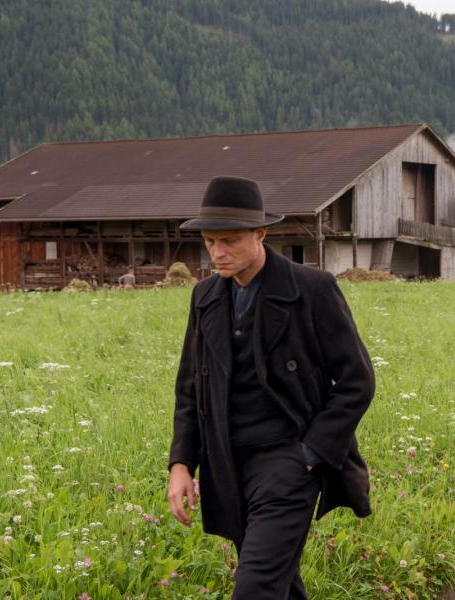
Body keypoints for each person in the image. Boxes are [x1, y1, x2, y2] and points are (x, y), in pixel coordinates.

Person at [167, 176, 375, 599]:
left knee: (256, 587)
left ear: (261, 233)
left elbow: (358, 380)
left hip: (287, 461)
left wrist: (311, 453)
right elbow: (190, 388)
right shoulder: (205, 296)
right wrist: (181, 465)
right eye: (210, 242)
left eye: (230, 241)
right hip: (227, 463)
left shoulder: (311, 289)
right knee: (278, 584)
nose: (218, 253)